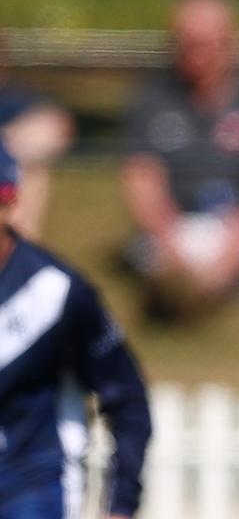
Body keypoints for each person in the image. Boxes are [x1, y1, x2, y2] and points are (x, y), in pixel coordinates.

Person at [121, 0, 239, 318]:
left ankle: (201, 295)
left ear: (231, 43)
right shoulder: (151, 98)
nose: (197, 55)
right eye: (187, 44)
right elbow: (141, 180)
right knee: (149, 254)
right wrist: (167, 235)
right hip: (176, 225)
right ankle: (186, 295)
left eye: (206, 44)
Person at [0, 139, 152, 519]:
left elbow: (128, 399)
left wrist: (121, 504)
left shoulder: (58, 293)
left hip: (35, 488)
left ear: (8, 200)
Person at [0, 37, 75, 241]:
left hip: (8, 174)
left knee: (33, 170)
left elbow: (59, 128)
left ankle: (16, 247)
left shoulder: (15, 96)